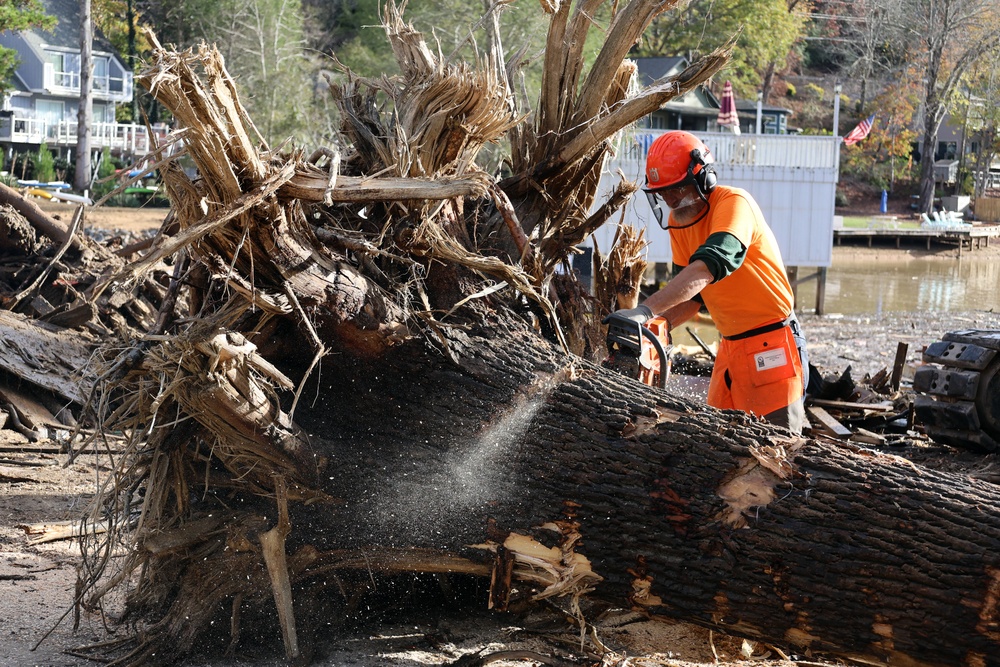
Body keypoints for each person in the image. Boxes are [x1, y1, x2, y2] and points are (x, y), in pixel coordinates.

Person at [608, 130, 809, 433]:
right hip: (730, 349)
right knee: (719, 444)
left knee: (776, 449)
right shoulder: (679, 220)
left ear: (704, 177)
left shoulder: (734, 204)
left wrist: (646, 311)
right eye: (663, 193)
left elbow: (709, 266)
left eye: (677, 190)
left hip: (772, 345)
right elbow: (691, 297)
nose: (671, 199)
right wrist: (648, 331)